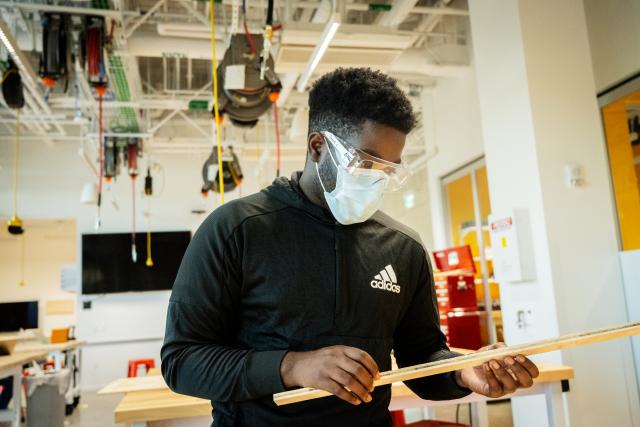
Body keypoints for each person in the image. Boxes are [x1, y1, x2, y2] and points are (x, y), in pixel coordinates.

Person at [161, 67, 539, 427]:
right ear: (317, 147)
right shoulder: (236, 230)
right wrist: (290, 366)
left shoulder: (402, 247)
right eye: (365, 163)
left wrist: (461, 371)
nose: (378, 180)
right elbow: (182, 360)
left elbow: (422, 356)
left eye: (389, 169)